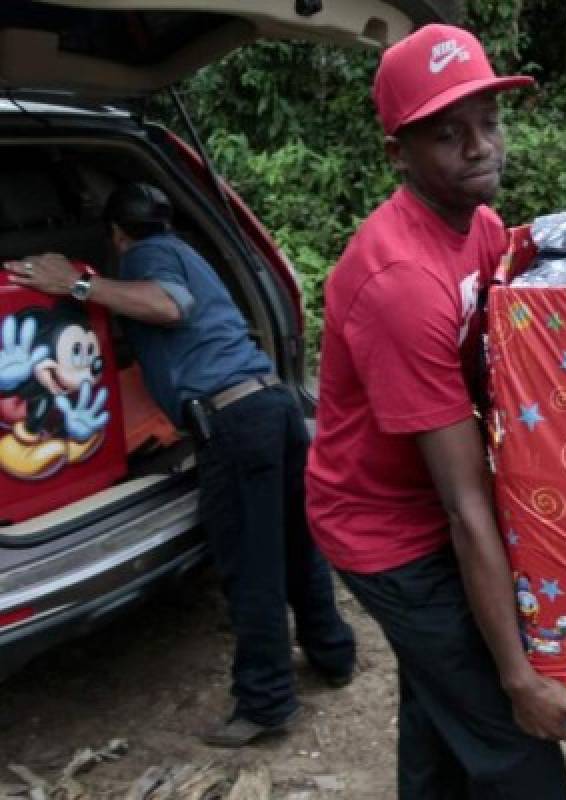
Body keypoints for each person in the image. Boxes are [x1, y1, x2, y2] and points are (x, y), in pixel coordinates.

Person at [305, 23, 566, 798]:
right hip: (387, 529)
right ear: (398, 154)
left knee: (441, 702)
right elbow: (465, 506)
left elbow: (517, 365)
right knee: (510, 737)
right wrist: (520, 675)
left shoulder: (482, 226)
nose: (479, 147)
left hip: (433, 502)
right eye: (447, 134)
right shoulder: (399, 282)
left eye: (489, 123)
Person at [4, 183, 355, 747]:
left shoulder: (148, 255)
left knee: (251, 566)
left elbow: (170, 306)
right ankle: (334, 655)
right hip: (271, 408)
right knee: (294, 542)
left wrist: (76, 283)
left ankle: (265, 703)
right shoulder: (189, 252)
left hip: (236, 425)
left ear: (117, 234)